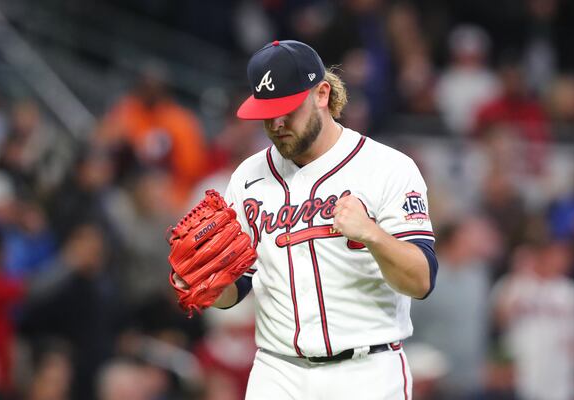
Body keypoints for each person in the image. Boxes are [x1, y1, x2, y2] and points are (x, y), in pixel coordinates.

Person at [176, 40, 438, 399]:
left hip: (367, 372)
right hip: (277, 372)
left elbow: (421, 281)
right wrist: (208, 285)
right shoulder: (247, 177)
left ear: (321, 94)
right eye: (267, 113)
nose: (277, 122)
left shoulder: (388, 168)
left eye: (287, 109)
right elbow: (239, 288)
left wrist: (373, 235)